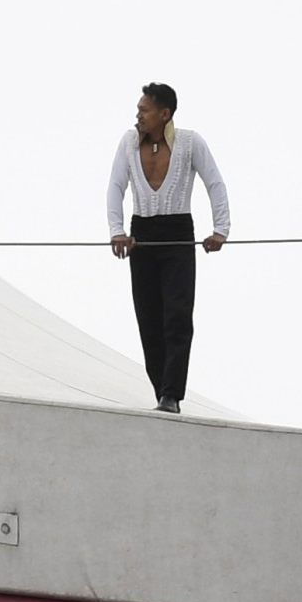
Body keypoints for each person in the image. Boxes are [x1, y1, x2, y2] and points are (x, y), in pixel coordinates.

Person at [105, 83, 229, 411]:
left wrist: (221, 230)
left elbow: (214, 182)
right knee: (148, 319)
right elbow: (116, 185)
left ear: (164, 114)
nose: (138, 115)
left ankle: (171, 395)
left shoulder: (190, 142)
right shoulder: (129, 142)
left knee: (177, 316)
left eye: (144, 110)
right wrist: (116, 230)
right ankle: (162, 390)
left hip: (177, 234)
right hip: (141, 235)